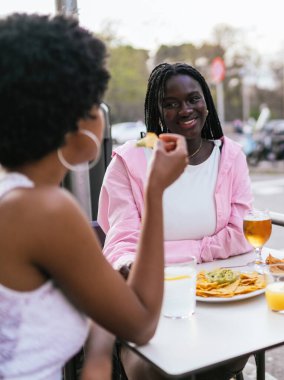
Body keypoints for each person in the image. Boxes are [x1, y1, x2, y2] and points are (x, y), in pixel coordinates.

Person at [0, 15, 188, 380]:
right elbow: (143, 323)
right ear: (81, 120)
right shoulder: (45, 211)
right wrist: (155, 190)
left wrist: (100, 330)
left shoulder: (15, 201)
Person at [98, 62, 253, 379]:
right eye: (171, 103)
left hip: (217, 299)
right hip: (150, 303)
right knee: (154, 372)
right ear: (157, 112)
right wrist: (132, 263)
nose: (185, 110)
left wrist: (167, 255)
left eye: (193, 98)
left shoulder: (231, 156)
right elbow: (122, 244)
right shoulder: (130, 160)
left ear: (206, 103)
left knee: (231, 358)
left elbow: (242, 232)